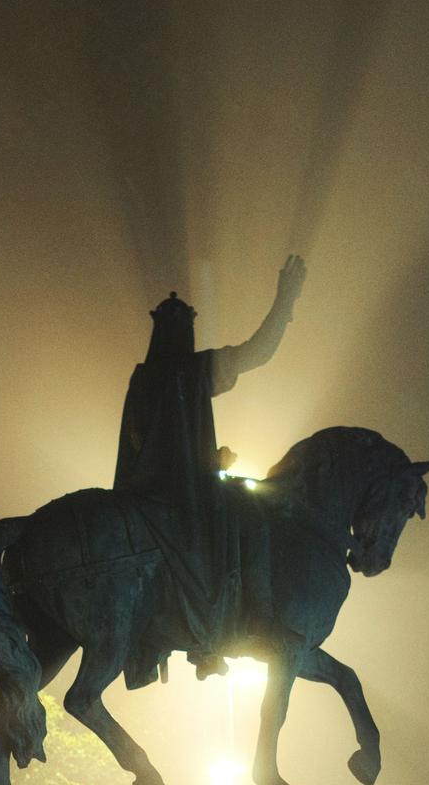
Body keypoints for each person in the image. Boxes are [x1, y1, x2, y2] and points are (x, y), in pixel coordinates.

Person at [115, 255, 306, 683]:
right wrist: (285, 301)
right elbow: (259, 351)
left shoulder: (143, 378)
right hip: (186, 495)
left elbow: (145, 446)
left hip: (143, 492)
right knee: (253, 517)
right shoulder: (193, 370)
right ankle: (243, 621)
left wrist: (204, 459)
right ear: (188, 330)